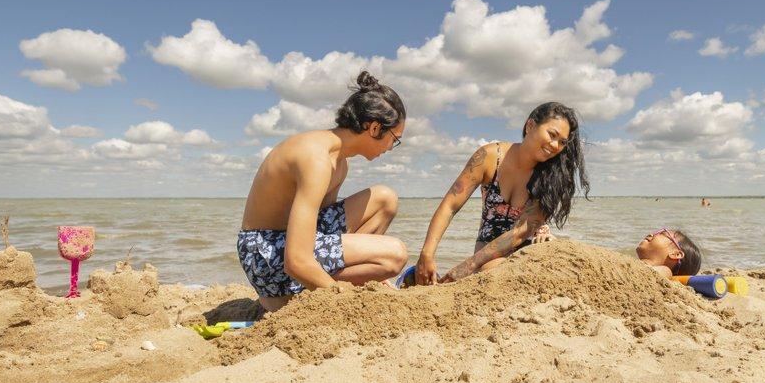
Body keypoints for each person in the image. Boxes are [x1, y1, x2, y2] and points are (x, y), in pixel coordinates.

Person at [237, 71, 408, 311]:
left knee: (385, 199)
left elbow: (320, 232)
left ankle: (333, 281)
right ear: (374, 128)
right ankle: (288, 297)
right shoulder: (317, 160)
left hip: (286, 242)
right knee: (395, 254)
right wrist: (340, 301)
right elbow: (296, 259)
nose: (391, 148)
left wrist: (370, 274)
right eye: (394, 139)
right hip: (265, 252)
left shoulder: (339, 161)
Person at [415, 101, 589, 284]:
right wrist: (427, 254)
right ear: (530, 126)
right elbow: (451, 205)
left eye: (562, 142)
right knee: (492, 269)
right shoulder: (490, 157)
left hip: (528, 253)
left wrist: (466, 267)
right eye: (552, 135)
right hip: (485, 259)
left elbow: (521, 232)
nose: (555, 146)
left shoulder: (551, 177)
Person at [637, 228, 702, 279]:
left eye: (661, 233)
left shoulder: (666, 271)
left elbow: (650, 273)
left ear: (676, 254)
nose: (651, 234)